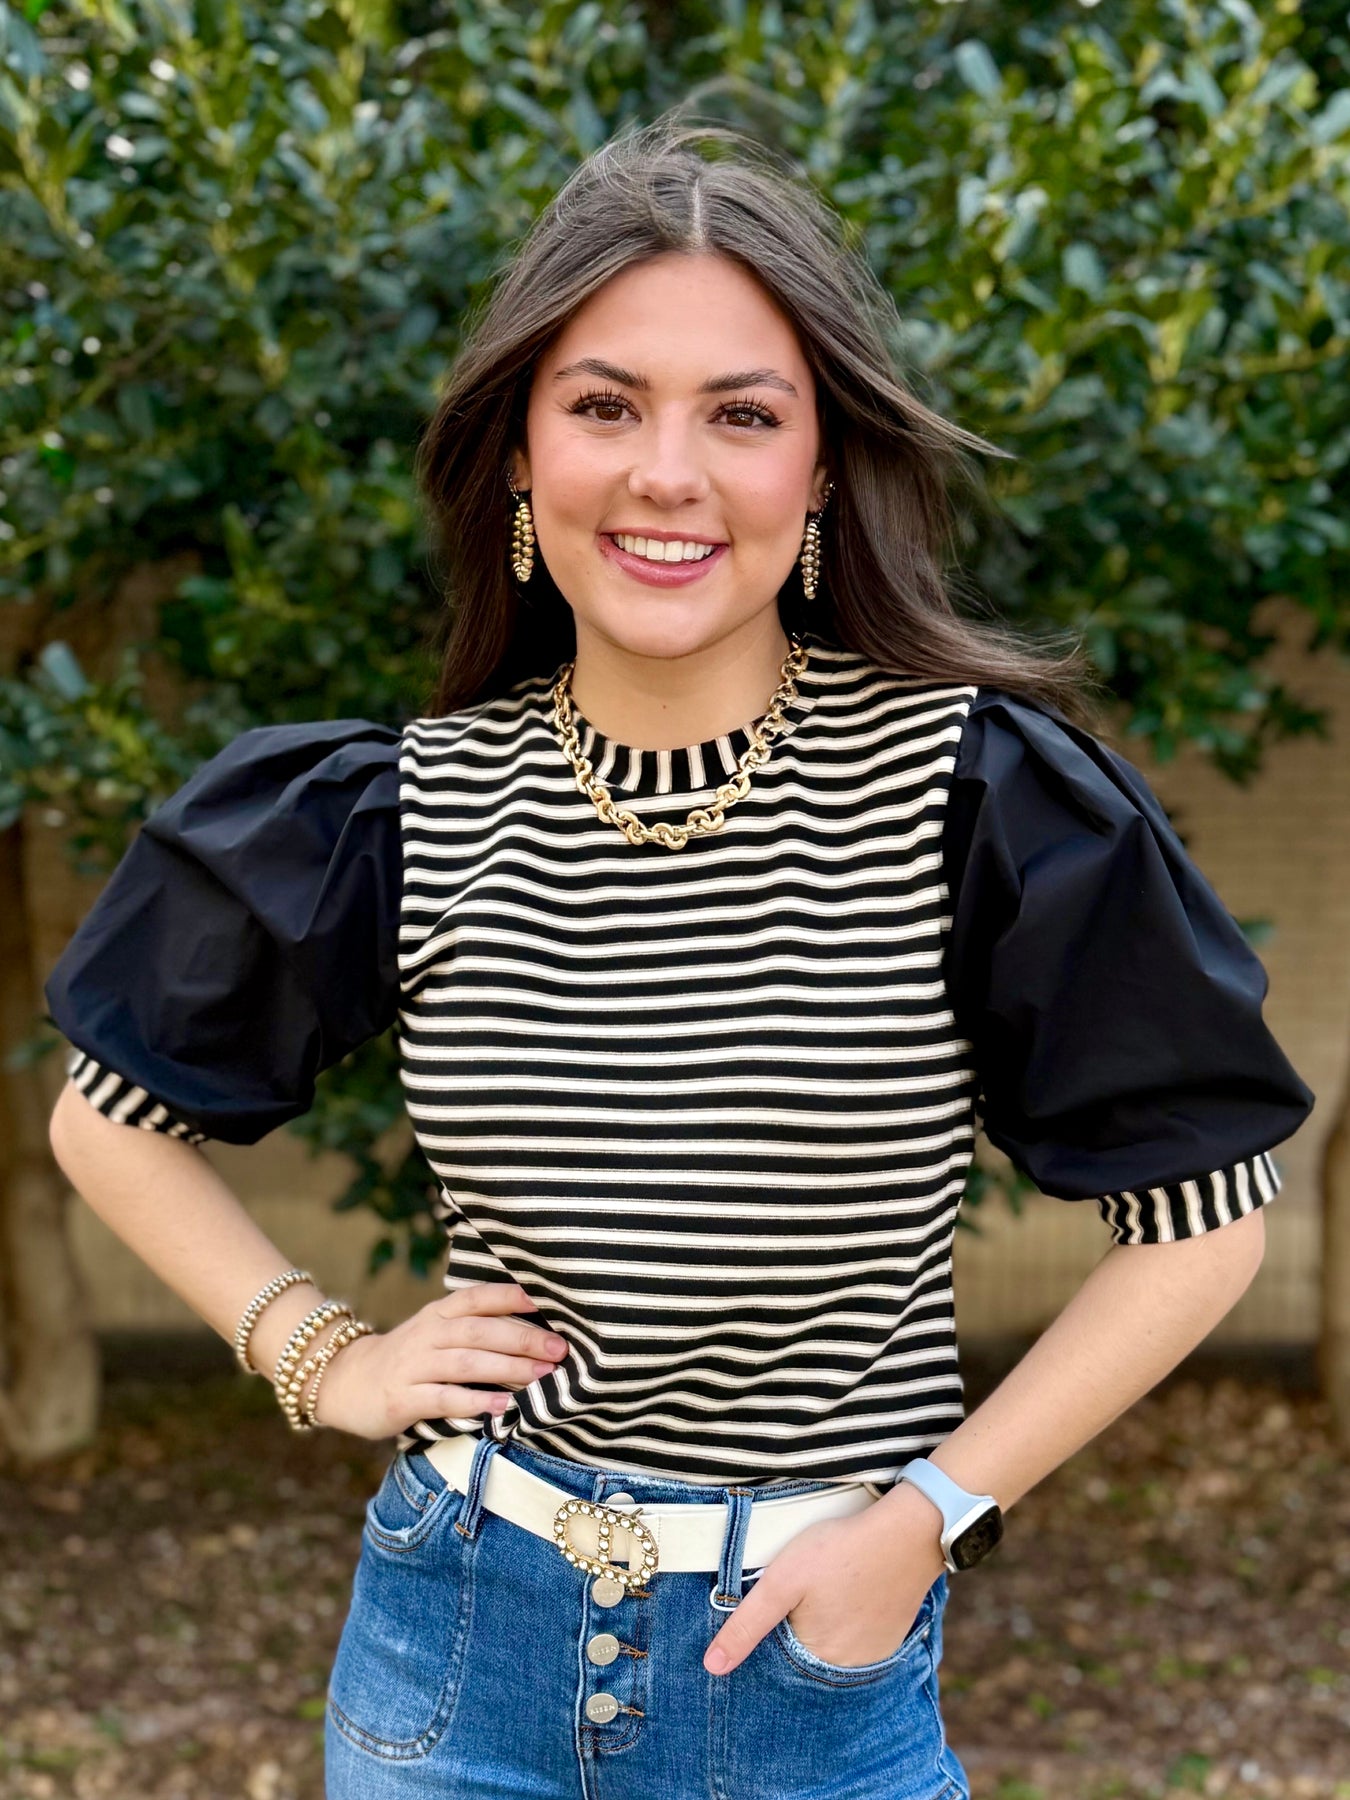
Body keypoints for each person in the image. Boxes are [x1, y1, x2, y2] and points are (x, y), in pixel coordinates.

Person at [44, 116, 1314, 1800]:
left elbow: (1199, 1216)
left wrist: (925, 1522)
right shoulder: (397, 809)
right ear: (517, 454)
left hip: (809, 1670)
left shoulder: (975, 795)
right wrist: (325, 1358)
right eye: (602, 406)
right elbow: (109, 1117)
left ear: (822, 470)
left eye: (742, 414)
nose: (665, 473)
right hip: (452, 1661)